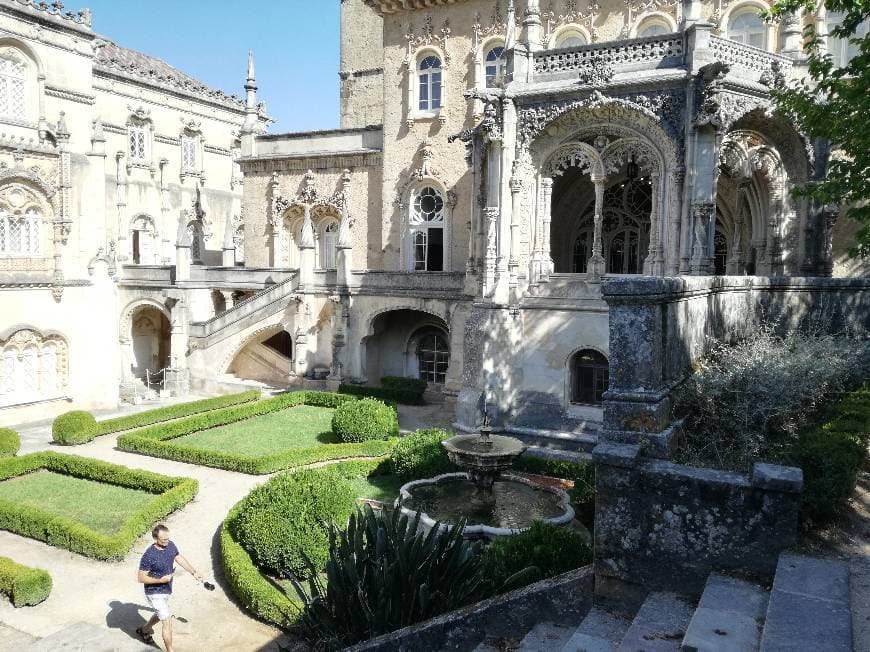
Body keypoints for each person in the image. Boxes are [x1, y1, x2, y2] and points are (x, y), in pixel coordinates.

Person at [136, 524, 202, 651]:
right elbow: (141, 578)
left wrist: (194, 572)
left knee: (160, 613)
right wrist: (160, 580)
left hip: (166, 589)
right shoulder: (149, 555)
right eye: (163, 539)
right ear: (156, 539)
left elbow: (178, 557)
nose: (167, 541)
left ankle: (144, 630)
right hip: (154, 592)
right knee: (167, 621)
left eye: (167, 538)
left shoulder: (170, 545)